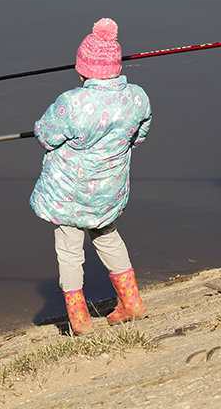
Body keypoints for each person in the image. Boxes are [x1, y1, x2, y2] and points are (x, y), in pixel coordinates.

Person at [30, 18, 153, 334]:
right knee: (108, 236)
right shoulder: (137, 98)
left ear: (82, 68)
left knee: (70, 251)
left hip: (69, 194)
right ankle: (131, 301)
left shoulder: (72, 103)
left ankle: (80, 319)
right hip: (108, 190)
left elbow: (45, 135)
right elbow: (139, 136)